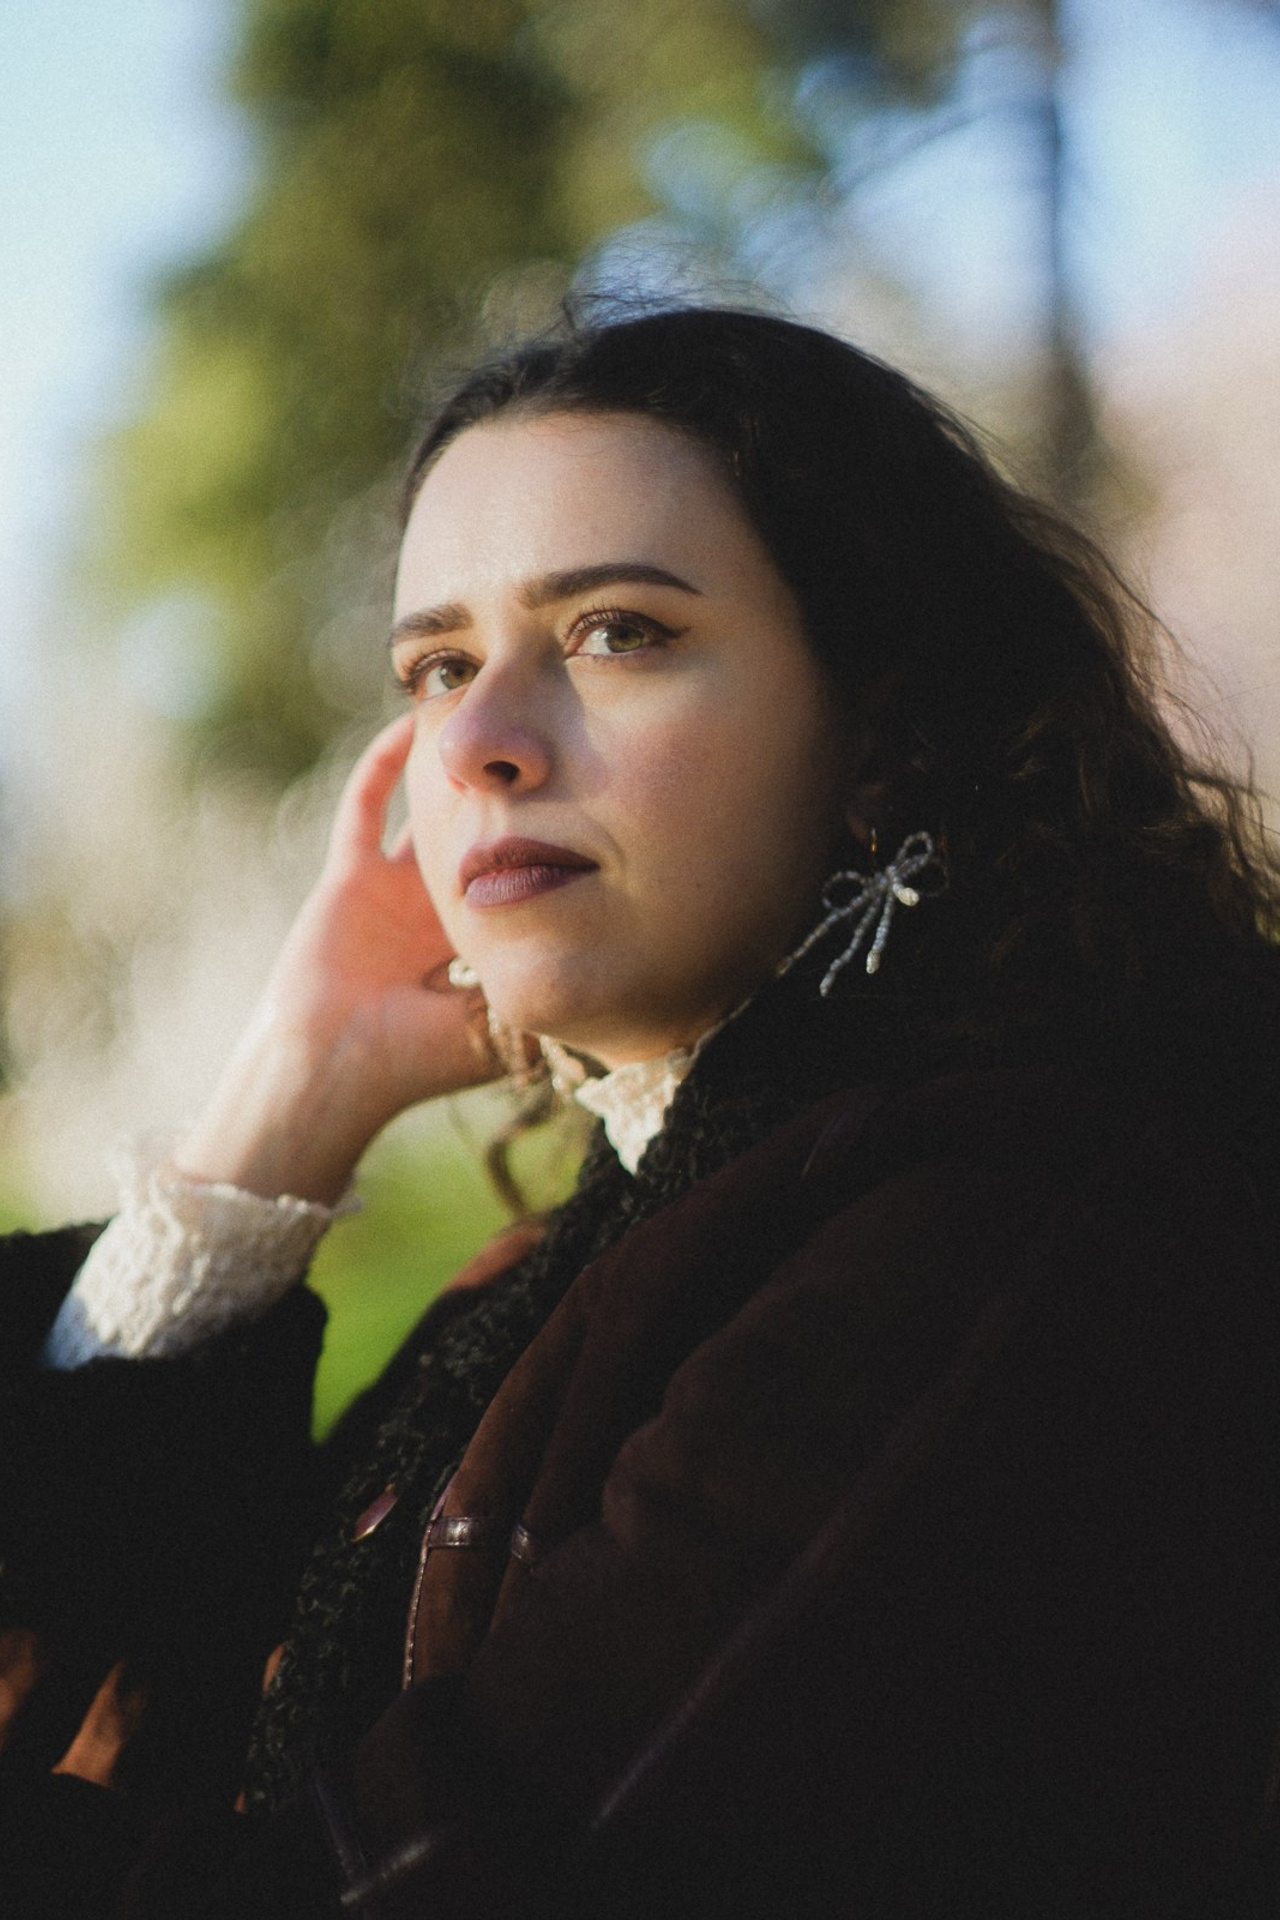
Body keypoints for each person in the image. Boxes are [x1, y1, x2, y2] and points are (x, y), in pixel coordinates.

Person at [1, 304, 1278, 1918]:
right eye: (439, 667)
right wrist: (296, 1091)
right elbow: (100, 1695)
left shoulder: (1008, 1232)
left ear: (886, 724)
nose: (477, 741)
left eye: (616, 632)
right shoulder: (570, 1255)